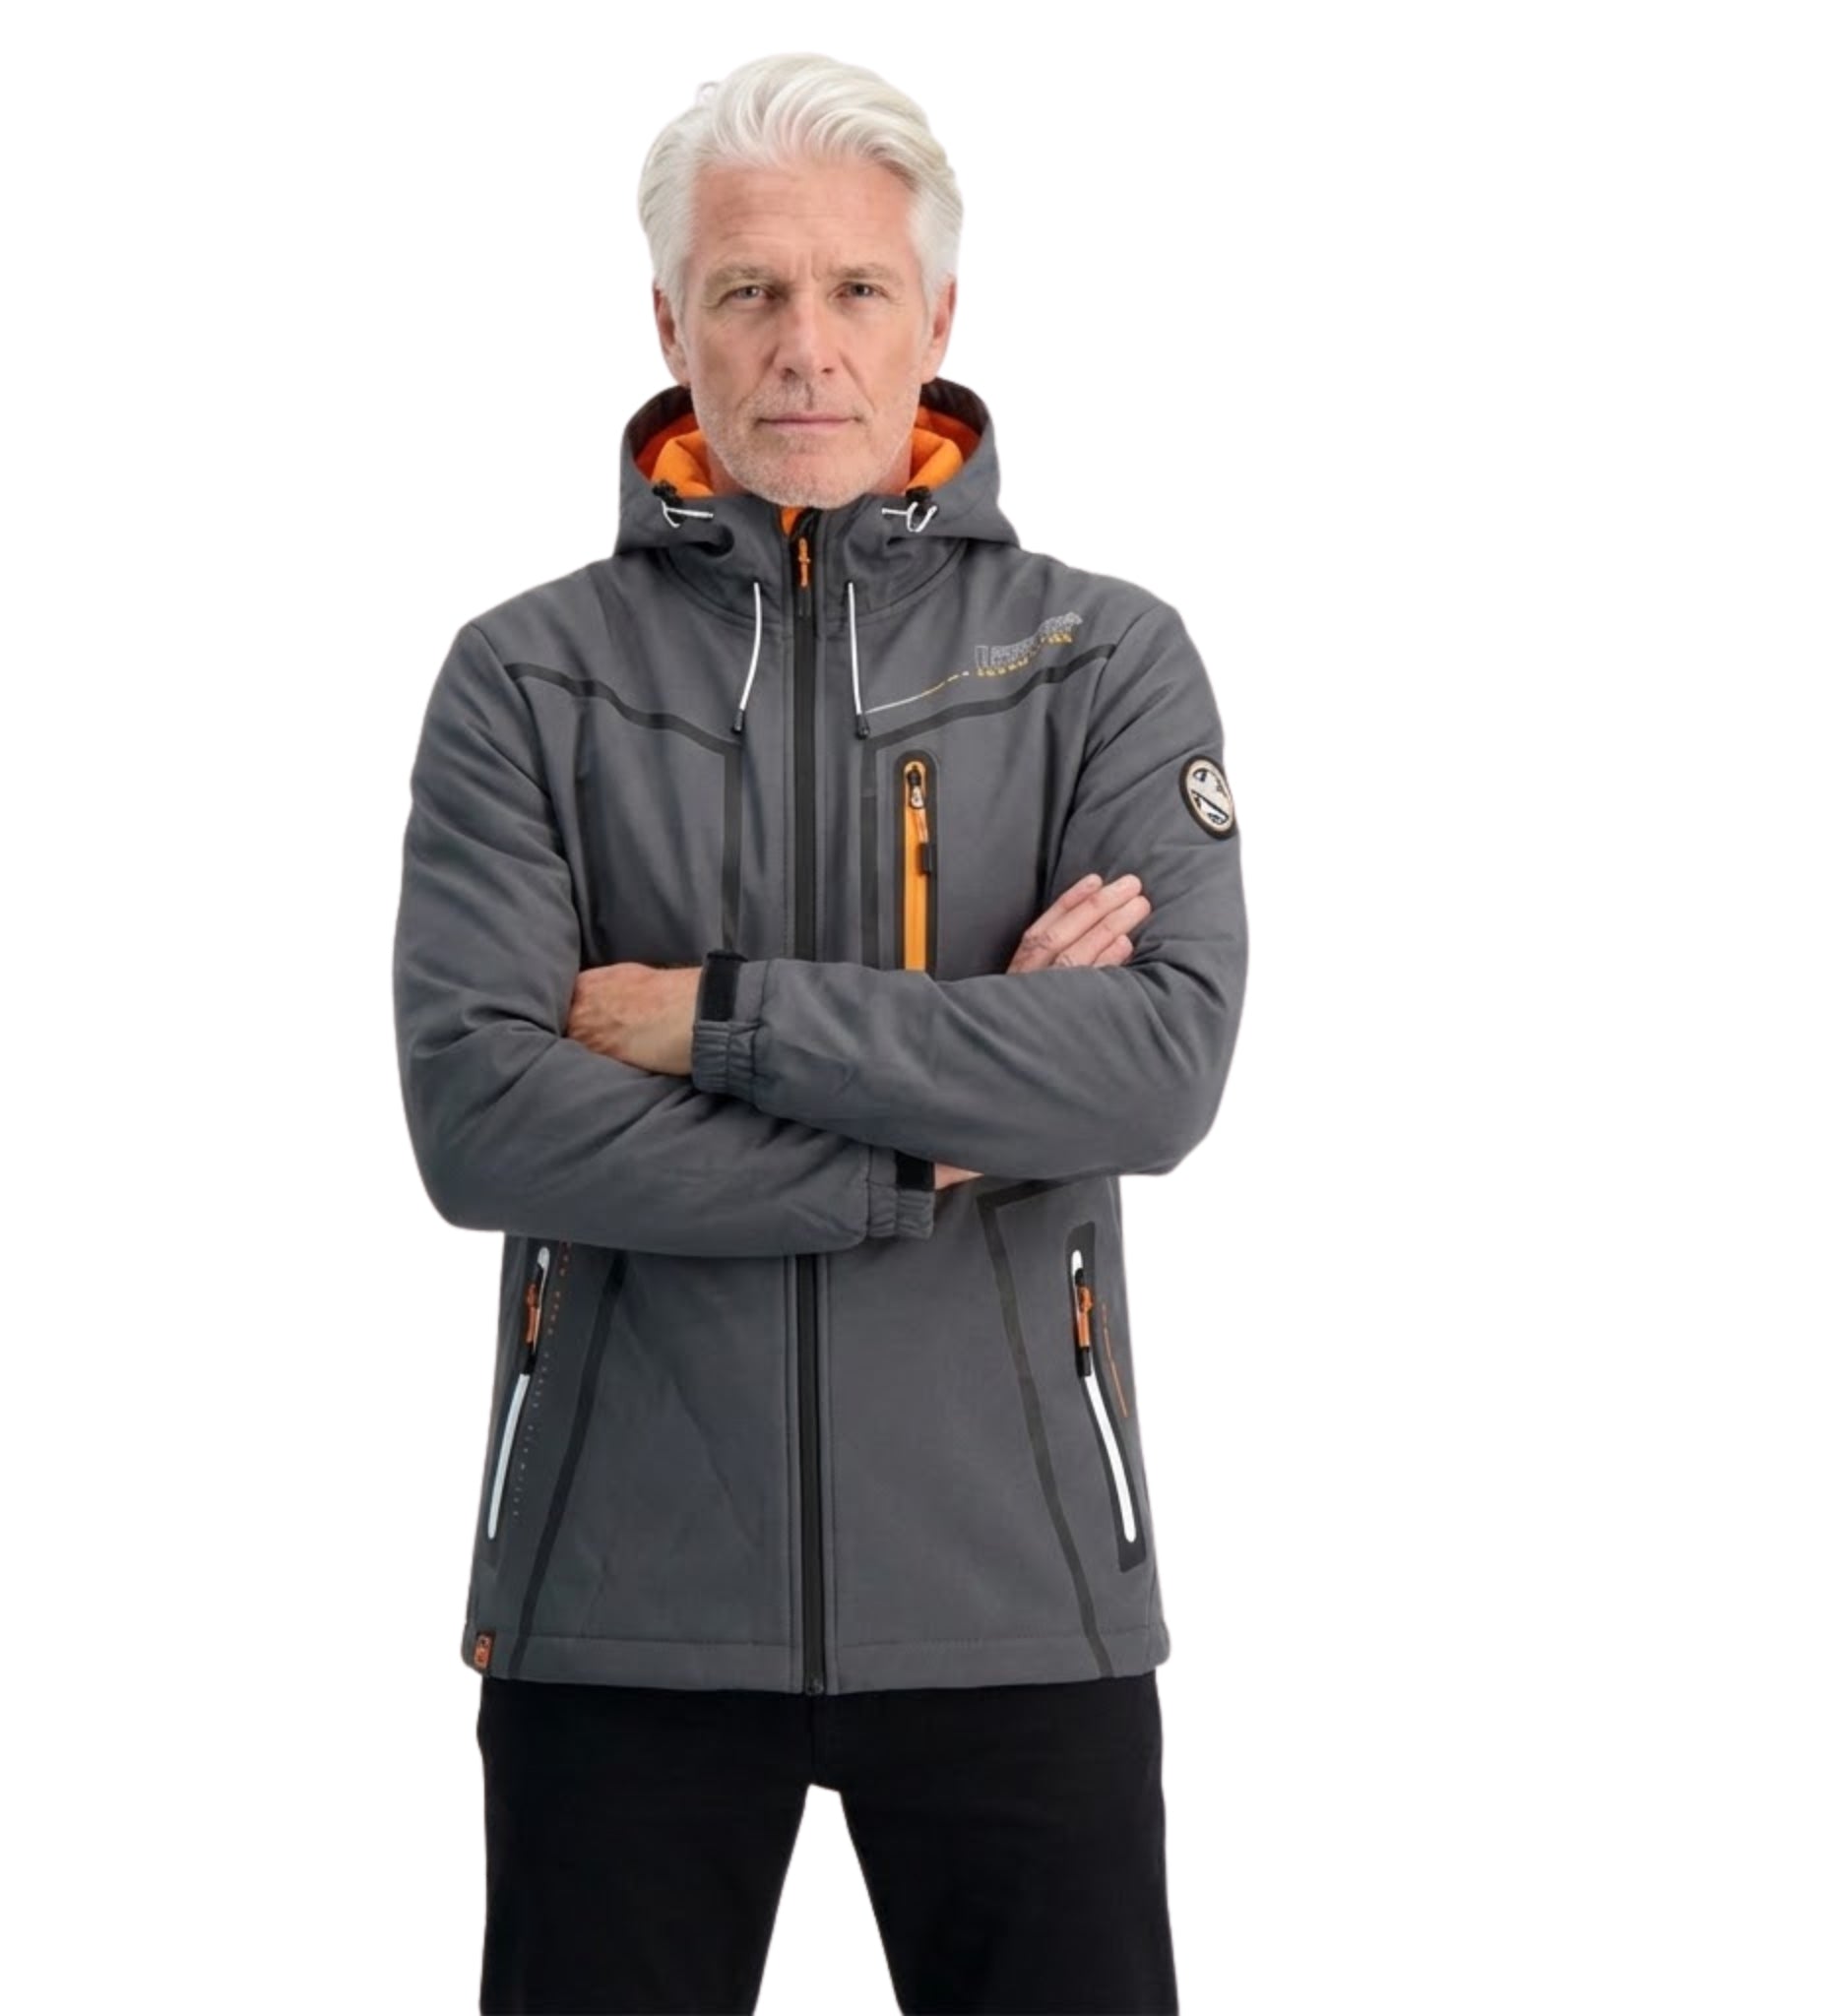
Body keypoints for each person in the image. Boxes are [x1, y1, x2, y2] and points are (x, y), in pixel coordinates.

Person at [392, 49, 1247, 2016]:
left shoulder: (1101, 659)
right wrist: (934, 1140)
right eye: (748, 290)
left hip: (1019, 1594)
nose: (804, 345)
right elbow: (484, 1119)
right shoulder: (526, 680)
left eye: (856, 287)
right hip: (619, 1607)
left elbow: (1158, 1067)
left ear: (935, 317)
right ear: (669, 324)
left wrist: (715, 1020)